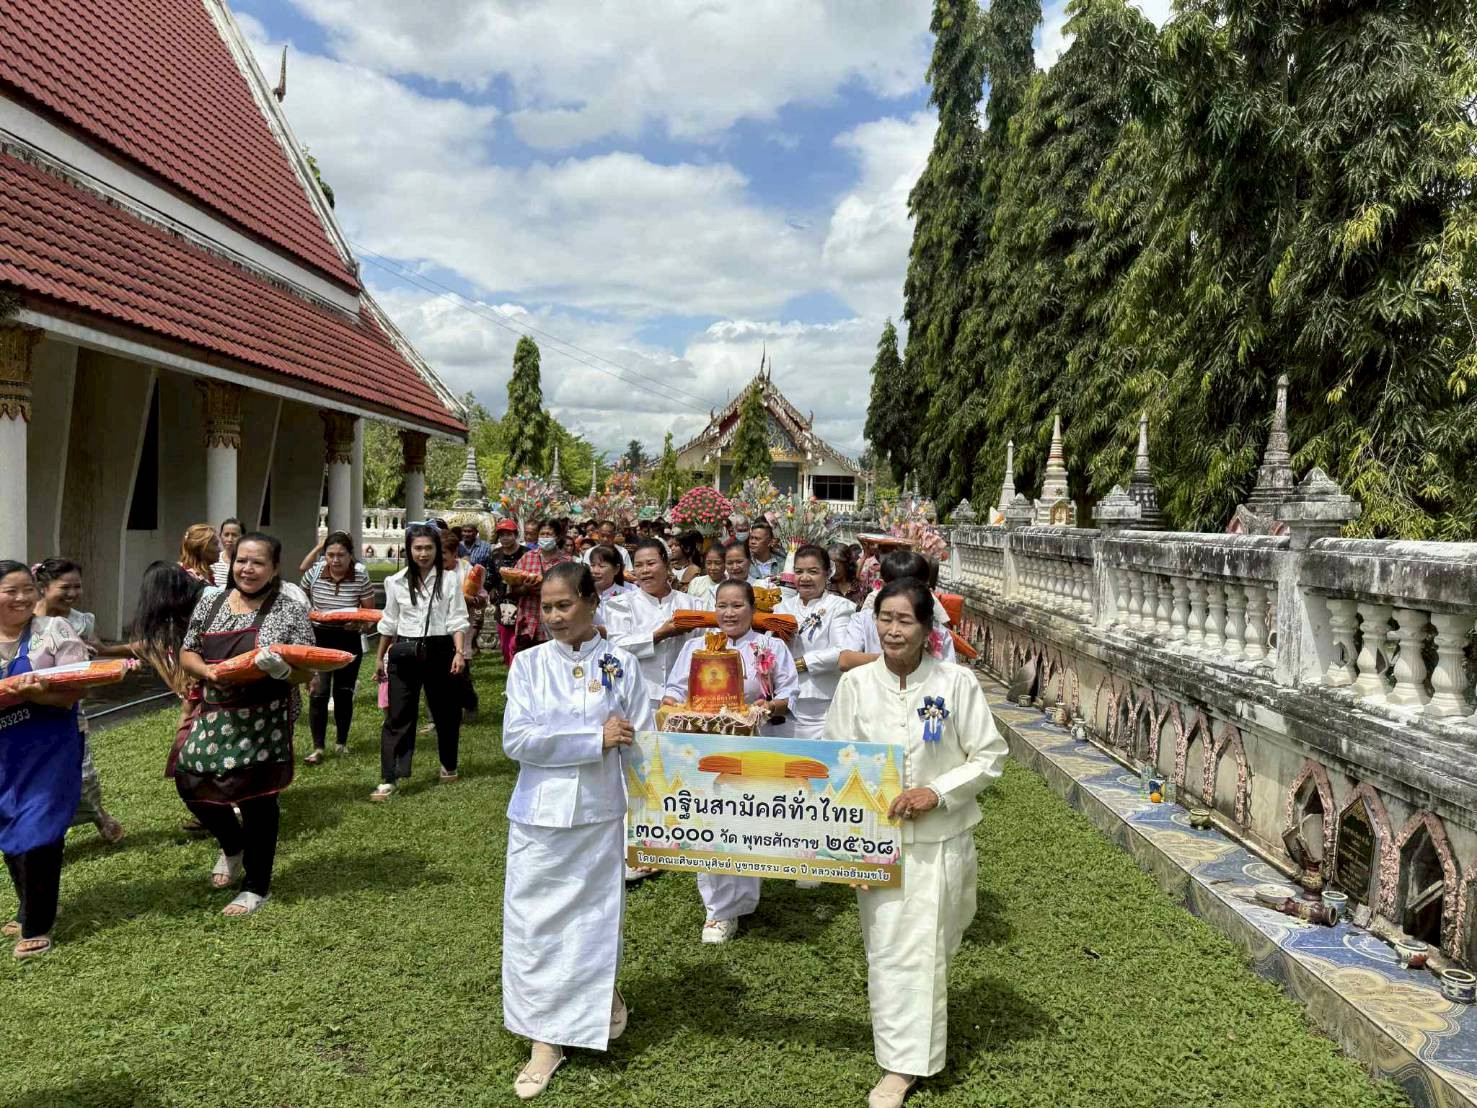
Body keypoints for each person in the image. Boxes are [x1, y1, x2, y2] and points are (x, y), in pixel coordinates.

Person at [824, 579, 1007, 1108]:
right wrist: (845, 851)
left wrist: (936, 790)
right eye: (885, 618)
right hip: (876, 844)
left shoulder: (956, 683)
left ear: (928, 629)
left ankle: (912, 1044)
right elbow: (838, 767)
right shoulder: (856, 685)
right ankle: (900, 1068)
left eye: (905, 620)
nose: (892, 630)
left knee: (933, 946)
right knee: (892, 950)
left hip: (940, 841)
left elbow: (989, 756)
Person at [500, 562, 652, 1099]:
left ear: (592, 602)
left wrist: (654, 817)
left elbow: (642, 738)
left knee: (593, 919)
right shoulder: (528, 665)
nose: (555, 616)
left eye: (565, 605)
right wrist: (594, 736)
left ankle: (595, 995)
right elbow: (518, 740)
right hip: (538, 814)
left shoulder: (623, 663)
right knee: (534, 923)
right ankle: (545, 1038)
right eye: (547, 606)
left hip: (600, 810)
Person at [176, 532, 315, 916]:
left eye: (258, 562)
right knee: (190, 779)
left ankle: (257, 886)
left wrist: (284, 670)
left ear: (274, 569)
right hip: (217, 709)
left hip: (265, 715)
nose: (248, 569)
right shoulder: (210, 601)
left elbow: (308, 672)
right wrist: (207, 671)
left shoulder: (288, 609)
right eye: (241, 561)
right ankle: (233, 845)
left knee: (257, 798)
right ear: (231, 562)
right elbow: (189, 650)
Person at [662, 580, 798, 944]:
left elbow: (788, 694)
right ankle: (718, 911)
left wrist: (767, 707)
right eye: (722, 605)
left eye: (737, 605)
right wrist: (675, 706)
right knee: (710, 824)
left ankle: (744, 899)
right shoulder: (696, 647)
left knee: (747, 823)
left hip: (754, 749)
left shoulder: (770, 647)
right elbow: (674, 690)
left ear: (753, 609)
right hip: (704, 750)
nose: (729, 613)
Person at [0, 561, 91, 958]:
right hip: (5, 753)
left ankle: (37, 925)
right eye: (10, 591)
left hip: (49, 749)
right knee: (9, 827)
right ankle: (27, 906)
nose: (21, 598)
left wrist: (34, 695)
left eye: (26, 590)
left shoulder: (53, 632)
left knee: (40, 829)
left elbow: (74, 692)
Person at [371, 524, 470, 801]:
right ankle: (390, 776)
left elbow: (457, 619)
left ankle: (448, 763)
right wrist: (380, 657)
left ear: (437, 550)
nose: (423, 553)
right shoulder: (396, 582)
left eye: (429, 548)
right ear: (409, 550)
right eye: (418, 548)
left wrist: (459, 652)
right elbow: (389, 622)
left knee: (446, 712)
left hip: (440, 650)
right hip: (404, 651)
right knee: (398, 715)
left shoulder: (449, 580)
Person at [31, 558, 126, 844]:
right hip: (26, 704)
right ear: (43, 587)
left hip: (68, 703)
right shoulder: (24, 620)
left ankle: (97, 813)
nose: (72, 593)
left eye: (77, 587)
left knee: (80, 768)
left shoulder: (80, 620)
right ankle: (46, 831)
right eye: (65, 587)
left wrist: (117, 656)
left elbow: (99, 649)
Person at [131, 561, 211, 833]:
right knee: (186, 762)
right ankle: (213, 813)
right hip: (203, 692)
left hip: (221, 692)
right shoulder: (187, 608)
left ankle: (224, 815)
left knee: (197, 759)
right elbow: (152, 645)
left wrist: (190, 703)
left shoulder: (207, 602)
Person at [300, 530, 376, 764]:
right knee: (319, 693)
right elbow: (301, 602)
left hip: (347, 639)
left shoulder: (360, 577)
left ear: (350, 556)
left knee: (343, 693)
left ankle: (341, 742)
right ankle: (318, 747)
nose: (335, 560)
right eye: (330, 555)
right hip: (319, 638)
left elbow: (370, 613)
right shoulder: (314, 574)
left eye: (341, 555)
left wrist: (362, 624)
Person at [775, 545, 856, 740]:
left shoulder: (840, 607)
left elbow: (842, 651)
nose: (804, 578)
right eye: (799, 572)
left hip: (822, 705)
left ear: (827, 573)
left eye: (813, 572)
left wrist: (800, 664)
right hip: (784, 701)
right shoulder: (780, 608)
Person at [840, 551, 956, 671]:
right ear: (883, 586)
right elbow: (845, 661)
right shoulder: (864, 619)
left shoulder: (935, 628)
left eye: (906, 621)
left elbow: (948, 672)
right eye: (886, 620)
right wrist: (894, 661)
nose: (894, 632)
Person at [441, 527, 487, 719]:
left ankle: (469, 702)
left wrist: (474, 600)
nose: (439, 557)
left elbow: (481, 595)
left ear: (454, 554)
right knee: (438, 675)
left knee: (460, 673)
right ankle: (442, 714)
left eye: (443, 553)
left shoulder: (468, 570)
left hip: (462, 626)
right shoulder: (430, 570)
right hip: (437, 628)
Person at [509, 520, 571, 653]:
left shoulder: (566, 562)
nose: (545, 537)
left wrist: (547, 592)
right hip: (528, 623)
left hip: (556, 623)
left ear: (558, 537)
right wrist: (525, 589)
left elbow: (572, 593)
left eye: (549, 534)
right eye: (542, 534)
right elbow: (512, 590)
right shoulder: (527, 558)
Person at [488, 519, 527, 666]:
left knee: (518, 642)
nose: (505, 538)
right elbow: (490, 577)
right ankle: (510, 670)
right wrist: (491, 590)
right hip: (503, 603)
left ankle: (519, 671)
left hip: (524, 600)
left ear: (515, 535)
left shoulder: (526, 554)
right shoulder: (495, 555)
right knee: (505, 642)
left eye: (508, 534)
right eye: (502, 535)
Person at [588, 544, 635, 623]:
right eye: (592, 565)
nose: (595, 571)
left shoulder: (628, 595)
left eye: (601, 566)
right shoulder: (582, 593)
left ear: (616, 569)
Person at [828, 543, 869, 607]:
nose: (833, 570)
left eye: (837, 566)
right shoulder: (824, 589)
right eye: (830, 566)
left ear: (847, 564)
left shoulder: (861, 585)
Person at [212, 518, 244, 587]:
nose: (230, 539)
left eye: (234, 535)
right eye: (226, 535)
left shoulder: (247, 562)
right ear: (220, 536)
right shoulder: (213, 560)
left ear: (242, 537)